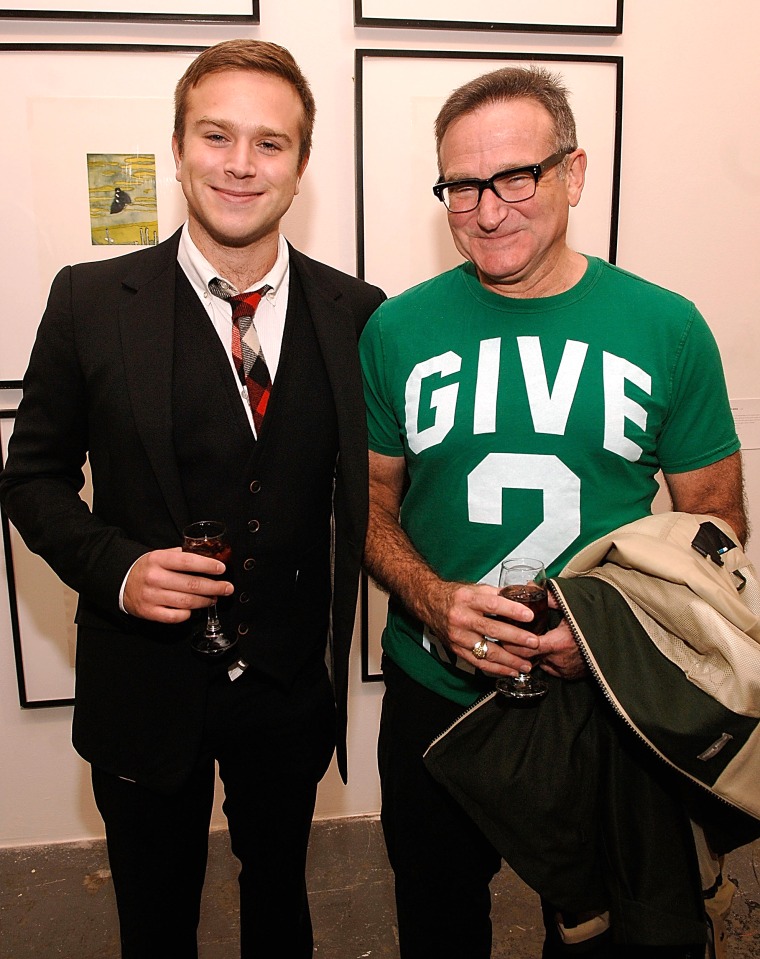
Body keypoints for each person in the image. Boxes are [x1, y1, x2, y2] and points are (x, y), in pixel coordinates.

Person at [0, 39, 384, 959]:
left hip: (289, 688)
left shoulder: (359, 311)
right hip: (144, 682)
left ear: (300, 165)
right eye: (217, 135)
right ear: (177, 149)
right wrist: (118, 570)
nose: (241, 165)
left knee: (281, 905)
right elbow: (31, 477)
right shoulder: (91, 301)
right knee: (155, 916)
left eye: (270, 143)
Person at [359, 65, 747, 958]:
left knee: (605, 937)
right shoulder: (395, 330)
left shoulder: (667, 327)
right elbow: (373, 507)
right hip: (436, 695)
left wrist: (607, 634)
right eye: (463, 186)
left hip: (604, 705)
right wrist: (433, 600)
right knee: (437, 926)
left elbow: (718, 524)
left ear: (573, 174)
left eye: (516, 176)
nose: (489, 210)